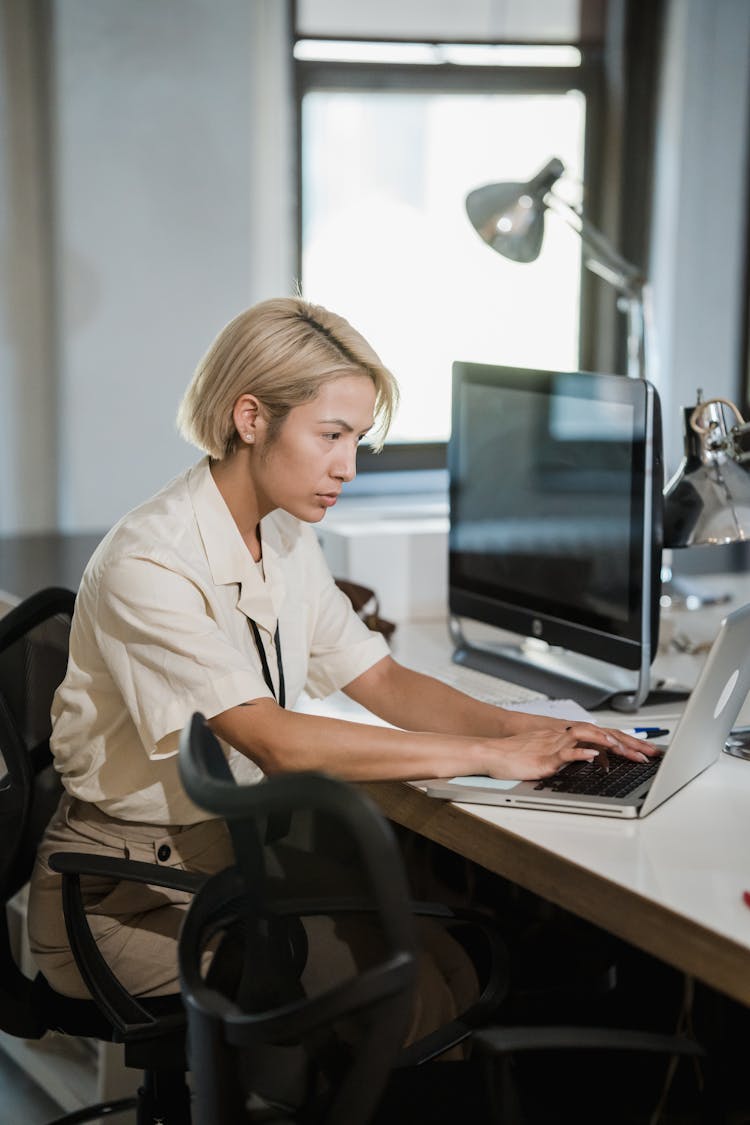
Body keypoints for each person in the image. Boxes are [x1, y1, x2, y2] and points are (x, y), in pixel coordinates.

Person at [27, 296, 656, 1033]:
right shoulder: (151, 560)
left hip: (216, 864)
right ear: (251, 417)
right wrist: (489, 754)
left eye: (357, 438)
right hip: (120, 894)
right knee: (408, 994)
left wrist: (540, 729)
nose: (348, 467)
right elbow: (275, 739)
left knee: (449, 959)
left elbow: (381, 678)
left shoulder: (283, 532)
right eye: (331, 435)